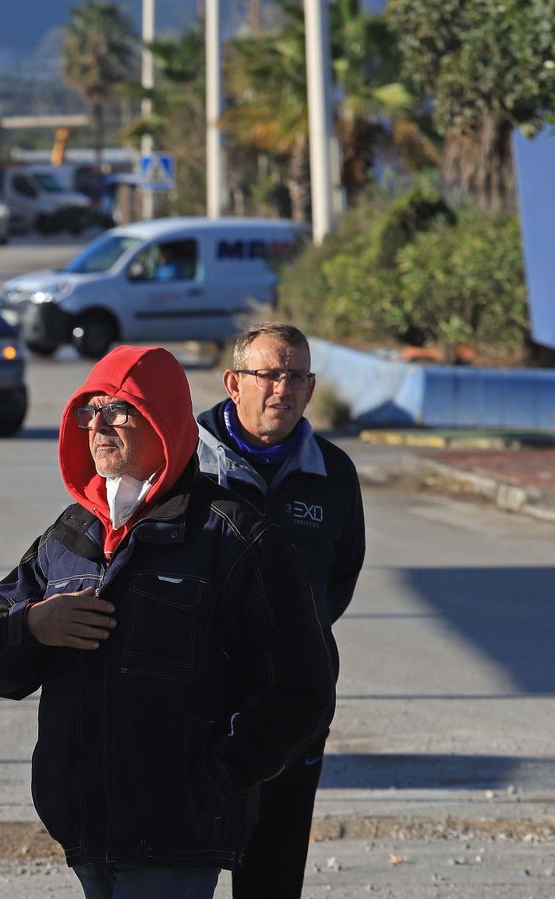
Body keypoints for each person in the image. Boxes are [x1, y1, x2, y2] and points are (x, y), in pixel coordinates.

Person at [0, 345, 334, 898]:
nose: (99, 425)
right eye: (90, 410)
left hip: (176, 838)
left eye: (119, 410)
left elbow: (301, 688)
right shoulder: (73, 533)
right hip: (85, 828)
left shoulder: (233, 537)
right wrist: (33, 627)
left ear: (161, 421)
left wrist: (215, 780)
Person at [197, 322, 366, 899]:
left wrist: (292, 644)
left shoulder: (335, 473)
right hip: (194, 699)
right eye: (268, 374)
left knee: (273, 866)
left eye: (296, 376)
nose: (282, 389)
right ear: (233, 382)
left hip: (293, 703)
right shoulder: (182, 464)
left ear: (311, 387)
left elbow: (339, 576)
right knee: (175, 858)